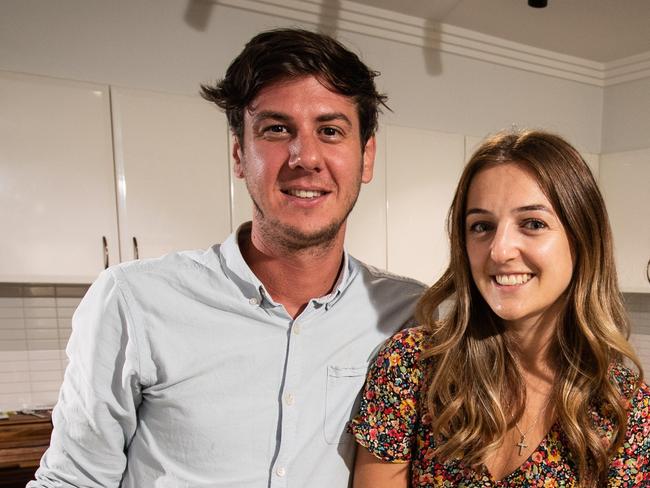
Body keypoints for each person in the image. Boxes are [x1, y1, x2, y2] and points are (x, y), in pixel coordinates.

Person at [29, 28, 425, 487]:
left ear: (367, 156)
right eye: (276, 129)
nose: (305, 157)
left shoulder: (411, 316)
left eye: (331, 131)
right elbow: (72, 480)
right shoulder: (133, 301)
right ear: (239, 154)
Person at [350, 130, 650, 487]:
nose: (499, 250)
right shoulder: (411, 366)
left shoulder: (625, 409)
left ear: (582, 238)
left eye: (533, 224)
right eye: (482, 226)